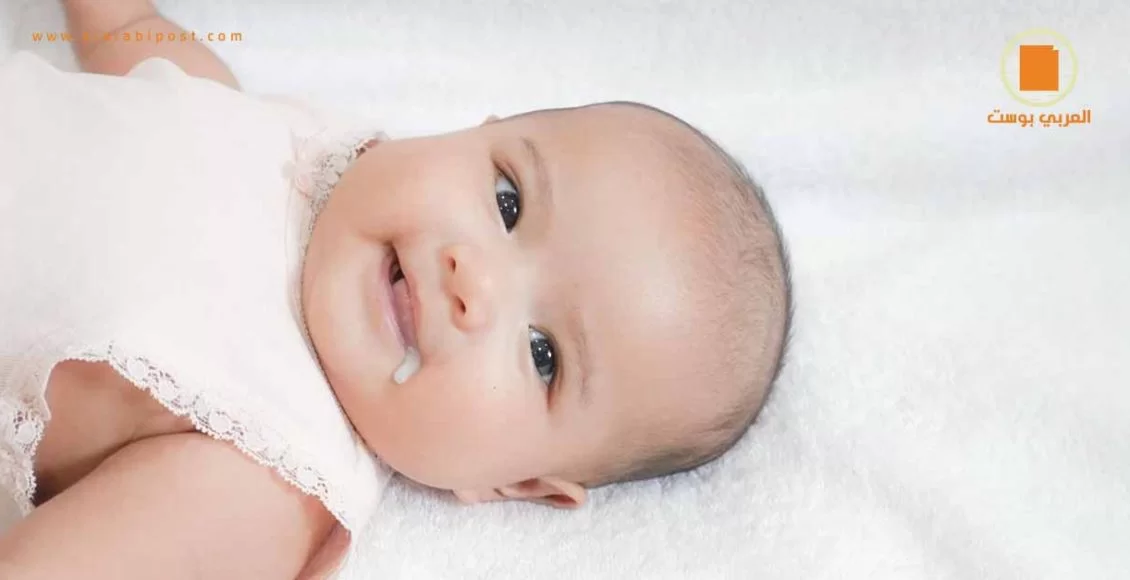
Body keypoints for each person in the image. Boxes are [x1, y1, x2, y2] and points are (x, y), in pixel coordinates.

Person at [0, 0, 792, 577]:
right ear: (479, 128)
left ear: (511, 481)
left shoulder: (267, 477)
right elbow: (137, 42)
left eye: (543, 354)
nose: (474, 280)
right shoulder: (305, 139)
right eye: (508, 202)